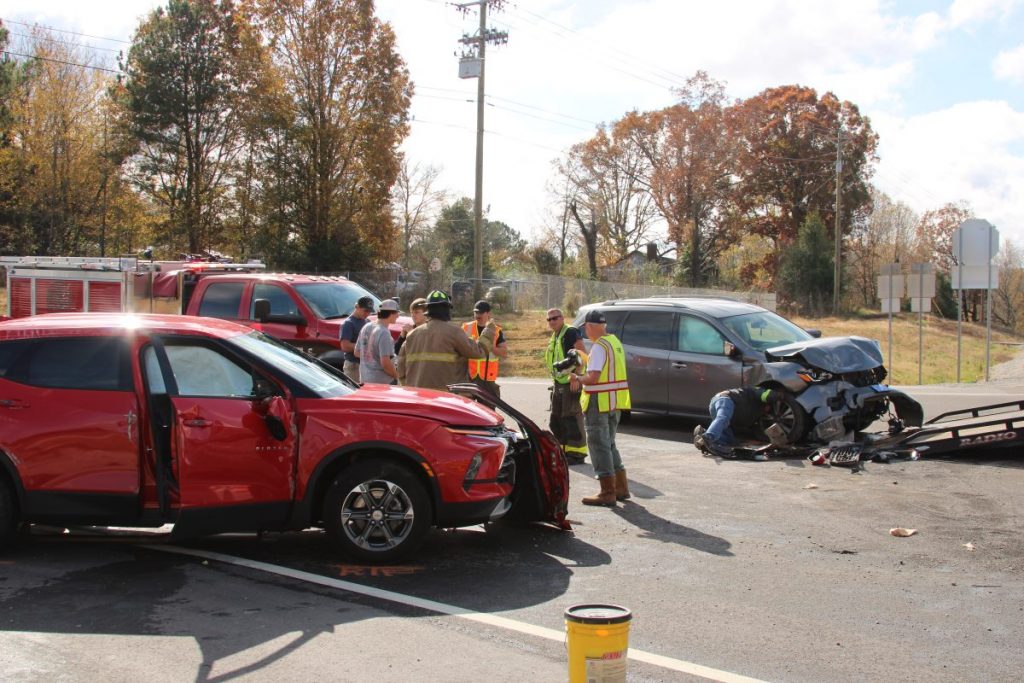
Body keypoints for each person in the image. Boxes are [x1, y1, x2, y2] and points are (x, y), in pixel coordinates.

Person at [569, 309, 631, 507]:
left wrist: (577, 378)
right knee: (609, 444)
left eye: (586, 327)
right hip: (614, 402)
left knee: (598, 445)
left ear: (590, 326)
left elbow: (593, 377)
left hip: (598, 403)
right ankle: (621, 487)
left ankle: (607, 492)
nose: (585, 332)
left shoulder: (599, 347)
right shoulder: (614, 342)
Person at [397, 290, 497, 392]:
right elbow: (479, 352)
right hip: (447, 398)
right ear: (447, 309)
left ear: (427, 310)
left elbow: (400, 366)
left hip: (419, 396)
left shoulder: (411, 335)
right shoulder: (454, 332)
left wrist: (410, 387)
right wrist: (489, 330)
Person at [543, 308, 588, 464]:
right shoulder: (555, 336)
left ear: (562, 318)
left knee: (571, 418)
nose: (552, 321)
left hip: (570, 383)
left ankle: (577, 453)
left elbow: (582, 355)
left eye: (555, 318)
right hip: (558, 383)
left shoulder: (570, 332)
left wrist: (576, 377)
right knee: (556, 419)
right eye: (549, 319)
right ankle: (563, 451)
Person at [693, 387, 782, 461]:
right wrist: (781, 395)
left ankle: (702, 436)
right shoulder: (757, 391)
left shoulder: (755, 414)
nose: (768, 410)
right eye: (769, 407)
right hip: (725, 399)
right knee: (723, 417)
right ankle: (708, 437)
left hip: (723, 409)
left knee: (728, 440)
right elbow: (767, 394)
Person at [461, 300, 507, 398]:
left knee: (489, 407)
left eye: (481, 312)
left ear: (488, 313)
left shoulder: (496, 330)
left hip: (488, 378)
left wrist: (492, 347)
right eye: (476, 312)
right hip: (469, 377)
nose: (478, 315)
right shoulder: (466, 328)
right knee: (468, 406)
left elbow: (503, 353)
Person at [354, 299, 401, 385]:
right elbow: (386, 364)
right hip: (382, 383)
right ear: (390, 313)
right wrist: (397, 376)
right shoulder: (384, 332)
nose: (398, 316)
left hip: (365, 380)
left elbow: (357, 352)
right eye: (397, 313)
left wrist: (371, 357)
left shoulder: (366, 326)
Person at [339, 296, 375, 382]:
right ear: (357, 307)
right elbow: (345, 346)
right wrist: (365, 347)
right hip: (353, 365)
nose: (367, 313)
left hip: (365, 364)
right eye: (365, 310)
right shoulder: (348, 323)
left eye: (369, 311)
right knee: (355, 388)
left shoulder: (367, 322)